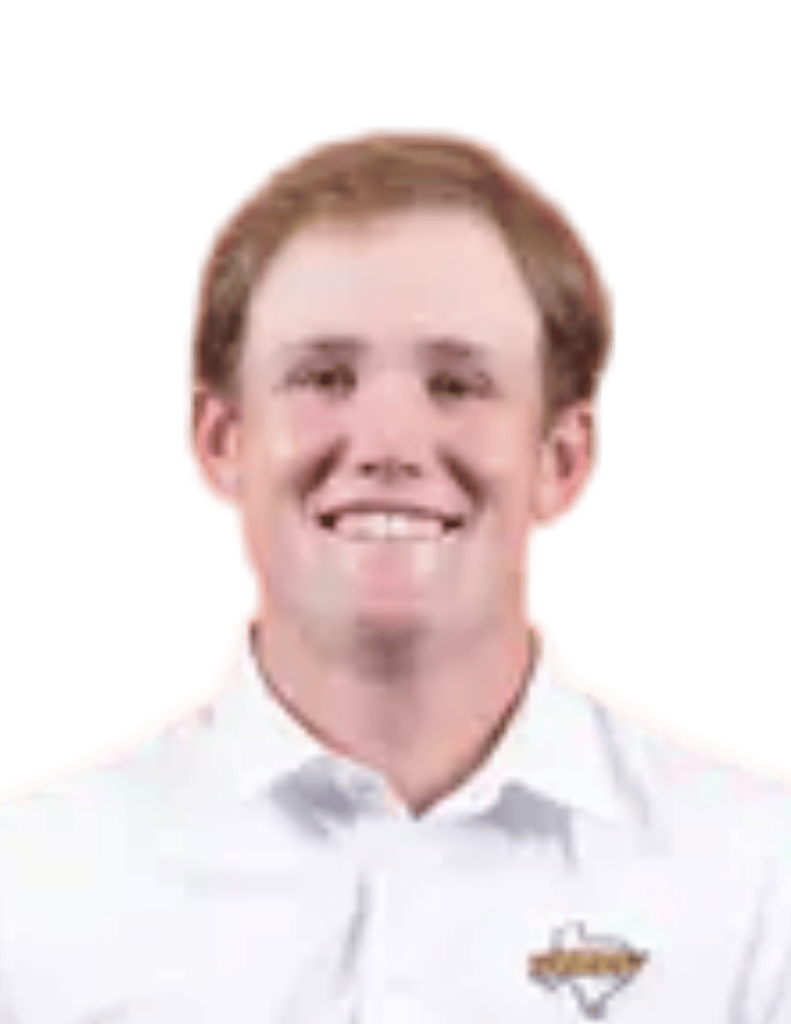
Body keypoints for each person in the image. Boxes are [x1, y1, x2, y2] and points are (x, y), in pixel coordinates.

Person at [1, 126, 788, 1023]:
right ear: (219, 443)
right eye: (323, 376)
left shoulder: (761, 881)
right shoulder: (27, 888)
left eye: (455, 385)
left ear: (563, 460)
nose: (387, 445)